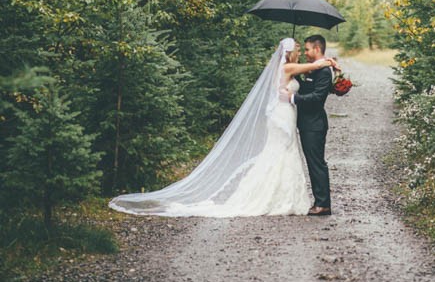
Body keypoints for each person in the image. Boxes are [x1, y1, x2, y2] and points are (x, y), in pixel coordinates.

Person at [109, 37, 338, 217]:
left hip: (286, 114)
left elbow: (311, 74)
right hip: (282, 114)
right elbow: (314, 66)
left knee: (285, 152)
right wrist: (327, 61)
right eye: (299, 49)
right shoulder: (288, 68)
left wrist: (327, 68)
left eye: (305, 49)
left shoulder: (291, 67)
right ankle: (278, 196)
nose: (301, 52)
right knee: (279, 151)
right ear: (290, 52)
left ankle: (299, 198)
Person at [284, 33, 335, 217]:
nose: (305, 52)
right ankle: (320, 202)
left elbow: (317, 98)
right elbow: (308, 88)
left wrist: (292, 97)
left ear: (317, 49)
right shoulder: (314, 69)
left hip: (314, 124)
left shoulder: (324, 71)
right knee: (312, 162)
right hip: (306, 123)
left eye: (307, 49)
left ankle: (323, 204)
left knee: (316, 163)